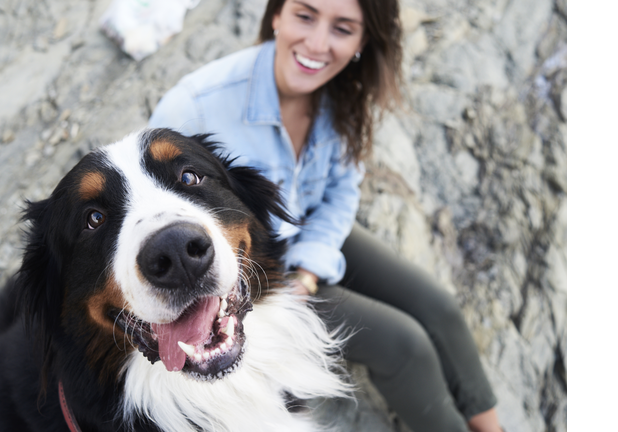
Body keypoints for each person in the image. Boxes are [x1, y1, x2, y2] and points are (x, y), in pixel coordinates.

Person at [148, 0, 503, 430]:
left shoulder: (344, 95)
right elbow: (162, 213)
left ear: (362, 40)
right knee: (406, 346)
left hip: (310, 229)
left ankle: (492, 426)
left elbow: (341, 190)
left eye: (342, 28)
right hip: (249, 267)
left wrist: (312, 266)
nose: (317, 43)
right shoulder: (196, 106)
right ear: (276, 15)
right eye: (305, 15)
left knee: (439, 307)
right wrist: (294, 282)